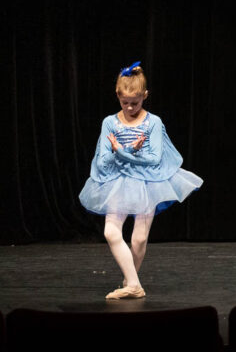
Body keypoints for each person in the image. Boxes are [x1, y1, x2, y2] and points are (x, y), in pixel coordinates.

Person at [78, 62, 203, 299]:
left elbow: (154, 159)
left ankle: (131, 282)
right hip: (117, 181)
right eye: (125, 102)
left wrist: (122, 152)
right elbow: (102, 162)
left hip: (147, 182)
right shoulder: (109, 123)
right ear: (118, 96)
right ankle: (134, 285)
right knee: (111, 232)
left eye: (135, 103)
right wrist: (127, 152)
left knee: (139, 238)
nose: (130, 107)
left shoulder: (153, 122)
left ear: (145, 96)